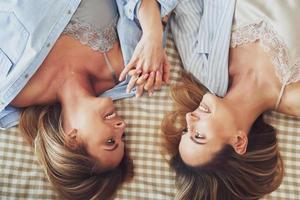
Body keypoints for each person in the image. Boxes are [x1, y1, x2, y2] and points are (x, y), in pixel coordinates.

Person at [0, 0, 176, 199]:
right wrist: (153, 34)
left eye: (110, 141)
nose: (121, 126)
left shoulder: (12, 90)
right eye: (122, 138)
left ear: (71, 139)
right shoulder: (129, 70)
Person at [159, 0, 300, 199]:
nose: (189, 117)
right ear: (239, 141)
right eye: (198, 136)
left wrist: (153, 35)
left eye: (185, 129)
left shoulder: (200, 67)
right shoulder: (294, 97)